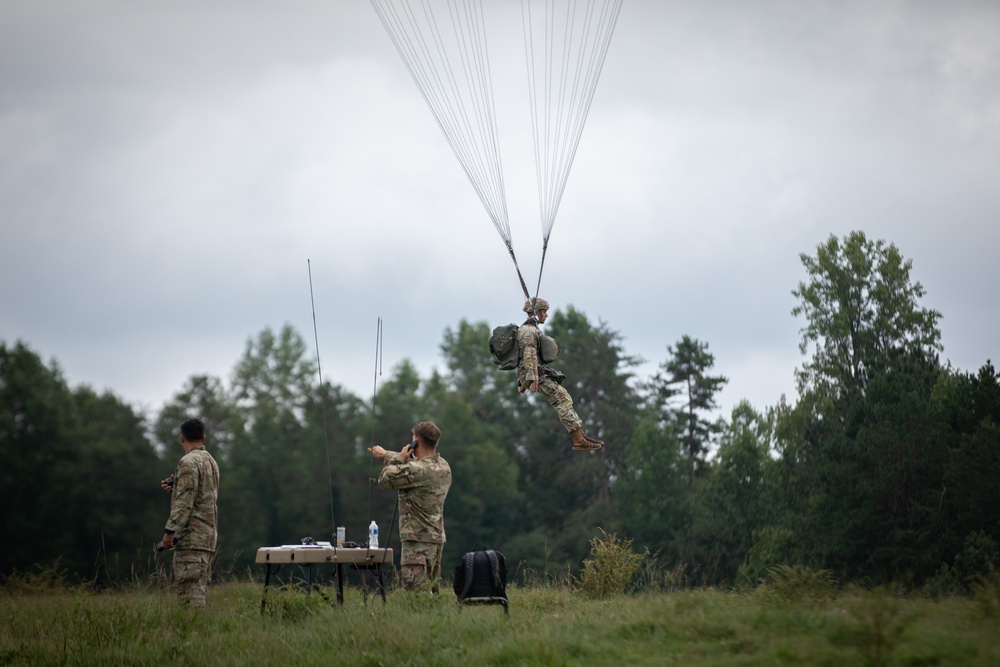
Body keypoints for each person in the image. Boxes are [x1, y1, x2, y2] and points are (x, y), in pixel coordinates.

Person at [368, 421, 452, 593]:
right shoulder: (443, 466)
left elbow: (385, 479)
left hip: (417, 543)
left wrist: (398, 457)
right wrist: (386, 454)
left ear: (416, 442)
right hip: (435, 540)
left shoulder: (417, 470)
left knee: (416, 597)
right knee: (433, 594)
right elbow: (414, 466)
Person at [517, 297, 603, 452]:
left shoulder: (530, 329)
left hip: (535, 374)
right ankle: (578, 439)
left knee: (564, 398)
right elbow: (529, 355)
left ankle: (581, 435)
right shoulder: (529, 331)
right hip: (535, 375)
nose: (547, 315)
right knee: (561, 399)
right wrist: (532, 379)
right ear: (536, 312)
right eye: (544, 311)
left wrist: (523, 383)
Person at [160, 418, 220, 607]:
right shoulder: (211, 461)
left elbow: (185, 503)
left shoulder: (187, 463)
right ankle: (202, 633)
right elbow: (202, 494)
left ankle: (193, 634)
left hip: (191, 540)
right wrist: (177, 486)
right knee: (200, 593)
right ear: (203, 437)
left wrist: (170, 531)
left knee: (189, 598)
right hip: (208, 538)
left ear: (181, 438)